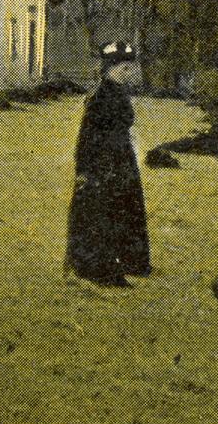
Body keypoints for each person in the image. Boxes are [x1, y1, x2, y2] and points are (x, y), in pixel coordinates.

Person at [65, 41, 153, 287]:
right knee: (104, 212)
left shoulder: (119, 92)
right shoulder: (100, 96)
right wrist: (85, 169)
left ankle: (131, 261)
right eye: (123, 69)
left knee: (128, 207)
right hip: (103, 161)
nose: (128, 74)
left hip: (122, 158)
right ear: (108, 69)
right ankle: (100, 267)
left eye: (129, 69)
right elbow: (87, 136)